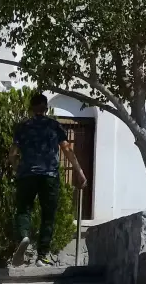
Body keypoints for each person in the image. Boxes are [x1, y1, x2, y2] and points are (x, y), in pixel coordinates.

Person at [8, 93, 87, 266]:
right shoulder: (54, 126)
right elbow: (67, 150)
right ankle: (42, 255)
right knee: (48, 215)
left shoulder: (23, 127)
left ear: (31, 108)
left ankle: (24, 237)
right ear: (46, 108)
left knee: (23, 210)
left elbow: (13, 154)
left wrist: (17, 169)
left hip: (27, 175)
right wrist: (79, 172)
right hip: (50, 176)